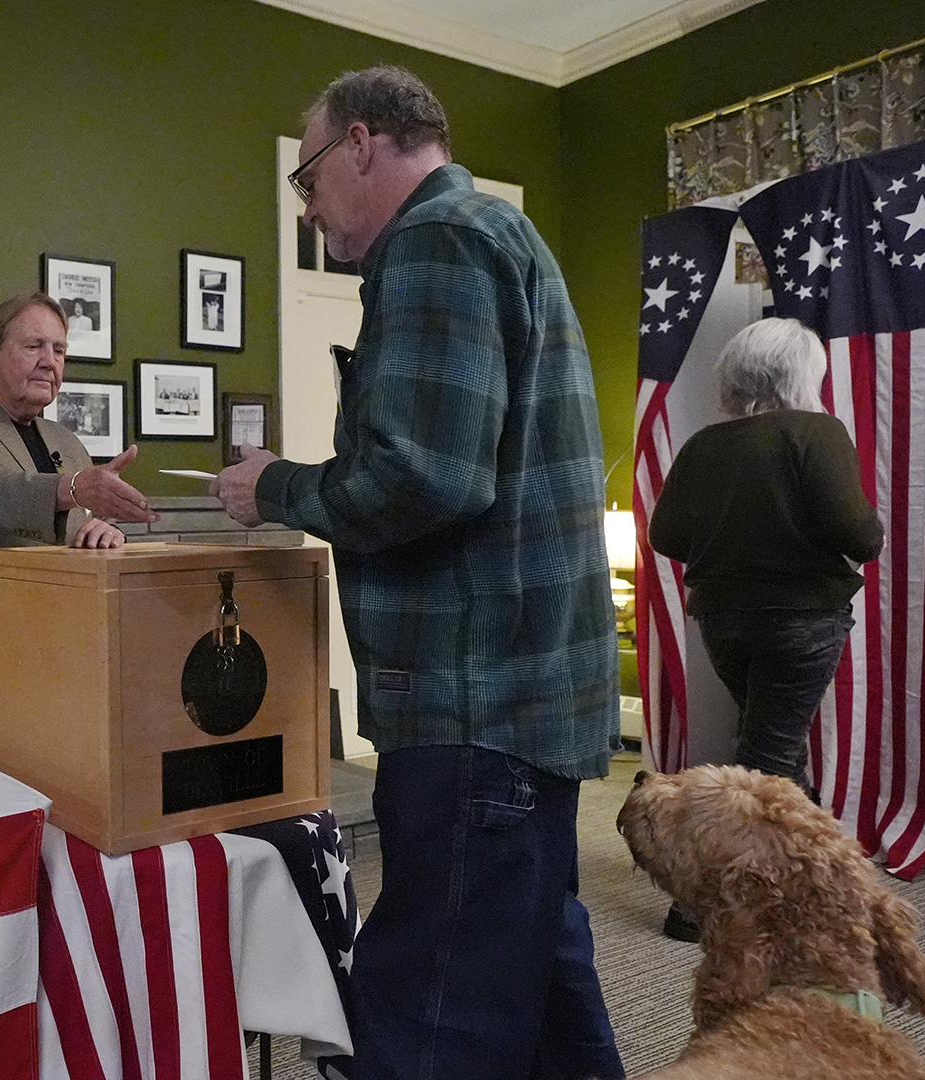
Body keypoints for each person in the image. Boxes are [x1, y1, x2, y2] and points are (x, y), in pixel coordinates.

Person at [211, 66, 625, 1080]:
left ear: (361, 144)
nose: (307, 208)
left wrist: (276, 487)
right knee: (532, 974)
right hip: (519, 702)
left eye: (306, 180)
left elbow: (425, 479)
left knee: (429, 1012)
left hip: (470, 702)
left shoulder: (438, 240)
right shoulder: (495, 235)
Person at [647, 317, 884, 941]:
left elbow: (666, 536)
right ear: (801, 375)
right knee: (765, 763)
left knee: (778, 752)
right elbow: (858, 536)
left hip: (724, 621)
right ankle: (700, 906)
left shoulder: (704, 445)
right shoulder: (815, 432)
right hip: (800, 621)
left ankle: (817, 883)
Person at [0, 293, 158, 757]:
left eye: (59, 351)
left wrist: (108, 536)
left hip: (57, 663)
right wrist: (76, 489)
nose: (49, 361)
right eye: (34, 346)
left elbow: (82, 528)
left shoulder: (66, 440)